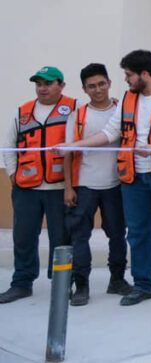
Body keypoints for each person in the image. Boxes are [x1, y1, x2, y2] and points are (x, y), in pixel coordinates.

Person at [70, 50, 151, 306]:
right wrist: (74, 146)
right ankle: (143, 285)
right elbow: (109, 132)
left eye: (129, 75)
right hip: (133, 176)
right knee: (138, 232)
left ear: (144, 74)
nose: (126, 80)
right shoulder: (128, 98)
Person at [0, 66, 75, 304]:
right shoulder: (22, 112)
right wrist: (12, 174)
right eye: (39, 83)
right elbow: (9, 145)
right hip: (27, 189)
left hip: (59, 188)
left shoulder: (74, 109)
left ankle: (61, 284)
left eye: (48, 83)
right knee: (23, 237)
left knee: (61, 238)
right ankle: (22, 283)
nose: (42, 88)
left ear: (61, 86)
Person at [64, 63, 131, 306]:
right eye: (91, 86)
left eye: (102, 83)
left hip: (116, 184)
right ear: (84, 89)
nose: (98, 89)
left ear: (110, 83)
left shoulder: (122, 110)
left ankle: (117, 280)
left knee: (117, 235)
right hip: (85, 186)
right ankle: (81, 285)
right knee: (79, 237)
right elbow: (68, 152)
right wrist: (69, 187)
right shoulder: (78, 115)